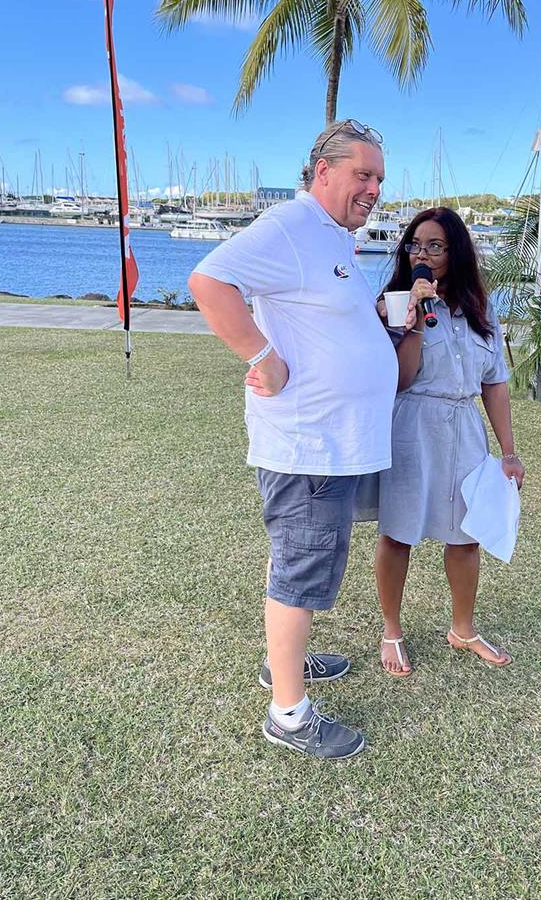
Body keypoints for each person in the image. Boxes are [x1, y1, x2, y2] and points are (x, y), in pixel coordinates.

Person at [188, 120, 398, 759]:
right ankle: (288, 714)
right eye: (362, 175)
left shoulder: (330, 236)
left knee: (297, 561)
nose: (373, 190)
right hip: (310, 445)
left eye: (380, 180)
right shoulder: (290, 225)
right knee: (303, 567)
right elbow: (209, 281)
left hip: (334, 443)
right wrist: (263, 354)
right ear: (323, 171)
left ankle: (285, 663)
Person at [369, 207, 525, 677]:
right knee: (399, 533)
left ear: (455, 251)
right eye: (415, 245)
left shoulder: (480, 306)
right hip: (412, 426)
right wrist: (414, 317)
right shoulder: (394, 303)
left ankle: (463, 627)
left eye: (435, 245)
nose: (423, 254)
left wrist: (510, 451)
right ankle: (392, 630)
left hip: (465, 426)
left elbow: (494, 382)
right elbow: (400, 379)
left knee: (466, 536)